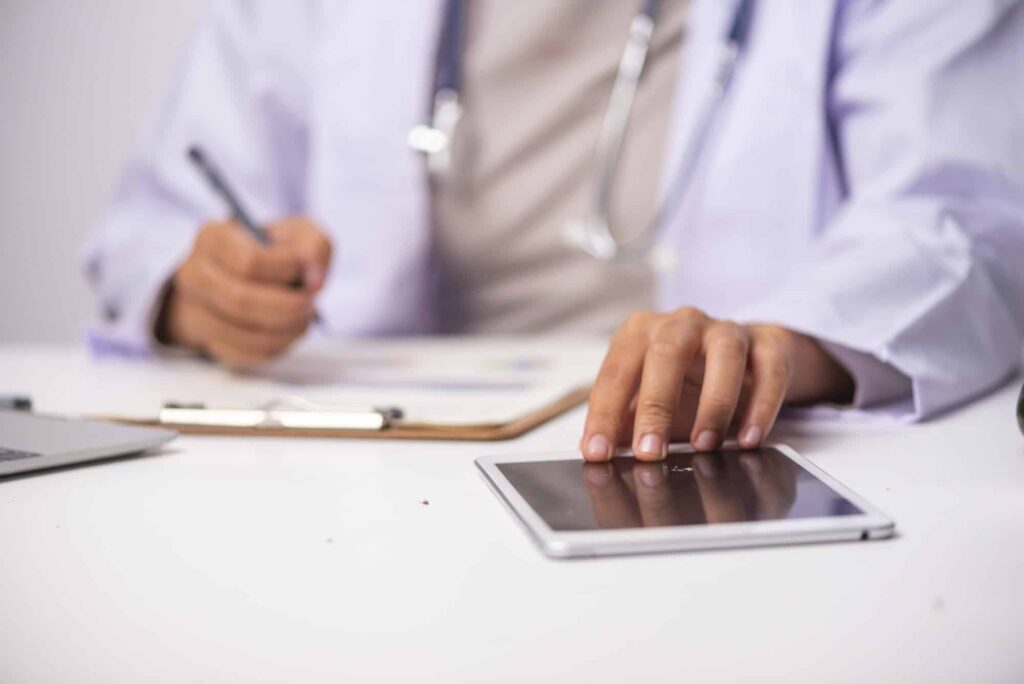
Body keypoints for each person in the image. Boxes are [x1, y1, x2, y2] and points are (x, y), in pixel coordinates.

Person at [85, 1, 1024, 461]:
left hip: (695, 454)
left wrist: (788, 341)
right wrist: (196, 291)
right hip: (386, 458)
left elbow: (964, 216)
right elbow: (156, 224)